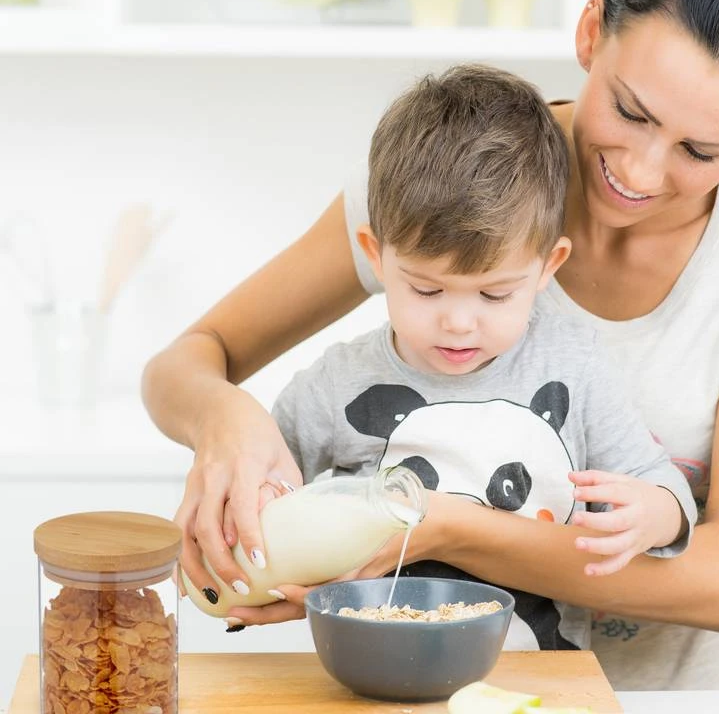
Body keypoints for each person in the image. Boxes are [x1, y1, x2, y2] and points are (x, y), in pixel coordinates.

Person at [142, 0, 719, 691]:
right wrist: (227, 422)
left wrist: (433, 529)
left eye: (702, 152)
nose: (643, 171)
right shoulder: (445, 183)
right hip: (439, 690)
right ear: (592, 34)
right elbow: (187, 361)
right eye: (630, 110)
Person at [266, 64, 696, 652]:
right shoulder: (339, 384)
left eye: (496, 294)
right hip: (373, 666)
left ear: (549, 266)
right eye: (426, 289)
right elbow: (263, 483)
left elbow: (658, 484)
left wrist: (655, 513)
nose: (459, 322)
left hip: (538, 673)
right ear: (375, 255)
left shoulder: (575, 368)